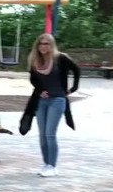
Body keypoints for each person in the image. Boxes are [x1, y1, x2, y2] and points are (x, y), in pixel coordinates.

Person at [19, 33, 79, 178]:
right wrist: (40, 91)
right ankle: (46, 164)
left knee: (50, 134)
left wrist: (73, 88)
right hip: (41, 101)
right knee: (42, 136)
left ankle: (53, 166)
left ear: (51, 45)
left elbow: (76, 70)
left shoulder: (61, 59)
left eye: (46, 44)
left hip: (57, 100)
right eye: (41, 44)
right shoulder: (35, 60)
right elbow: (33, 80)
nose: (43, 46)